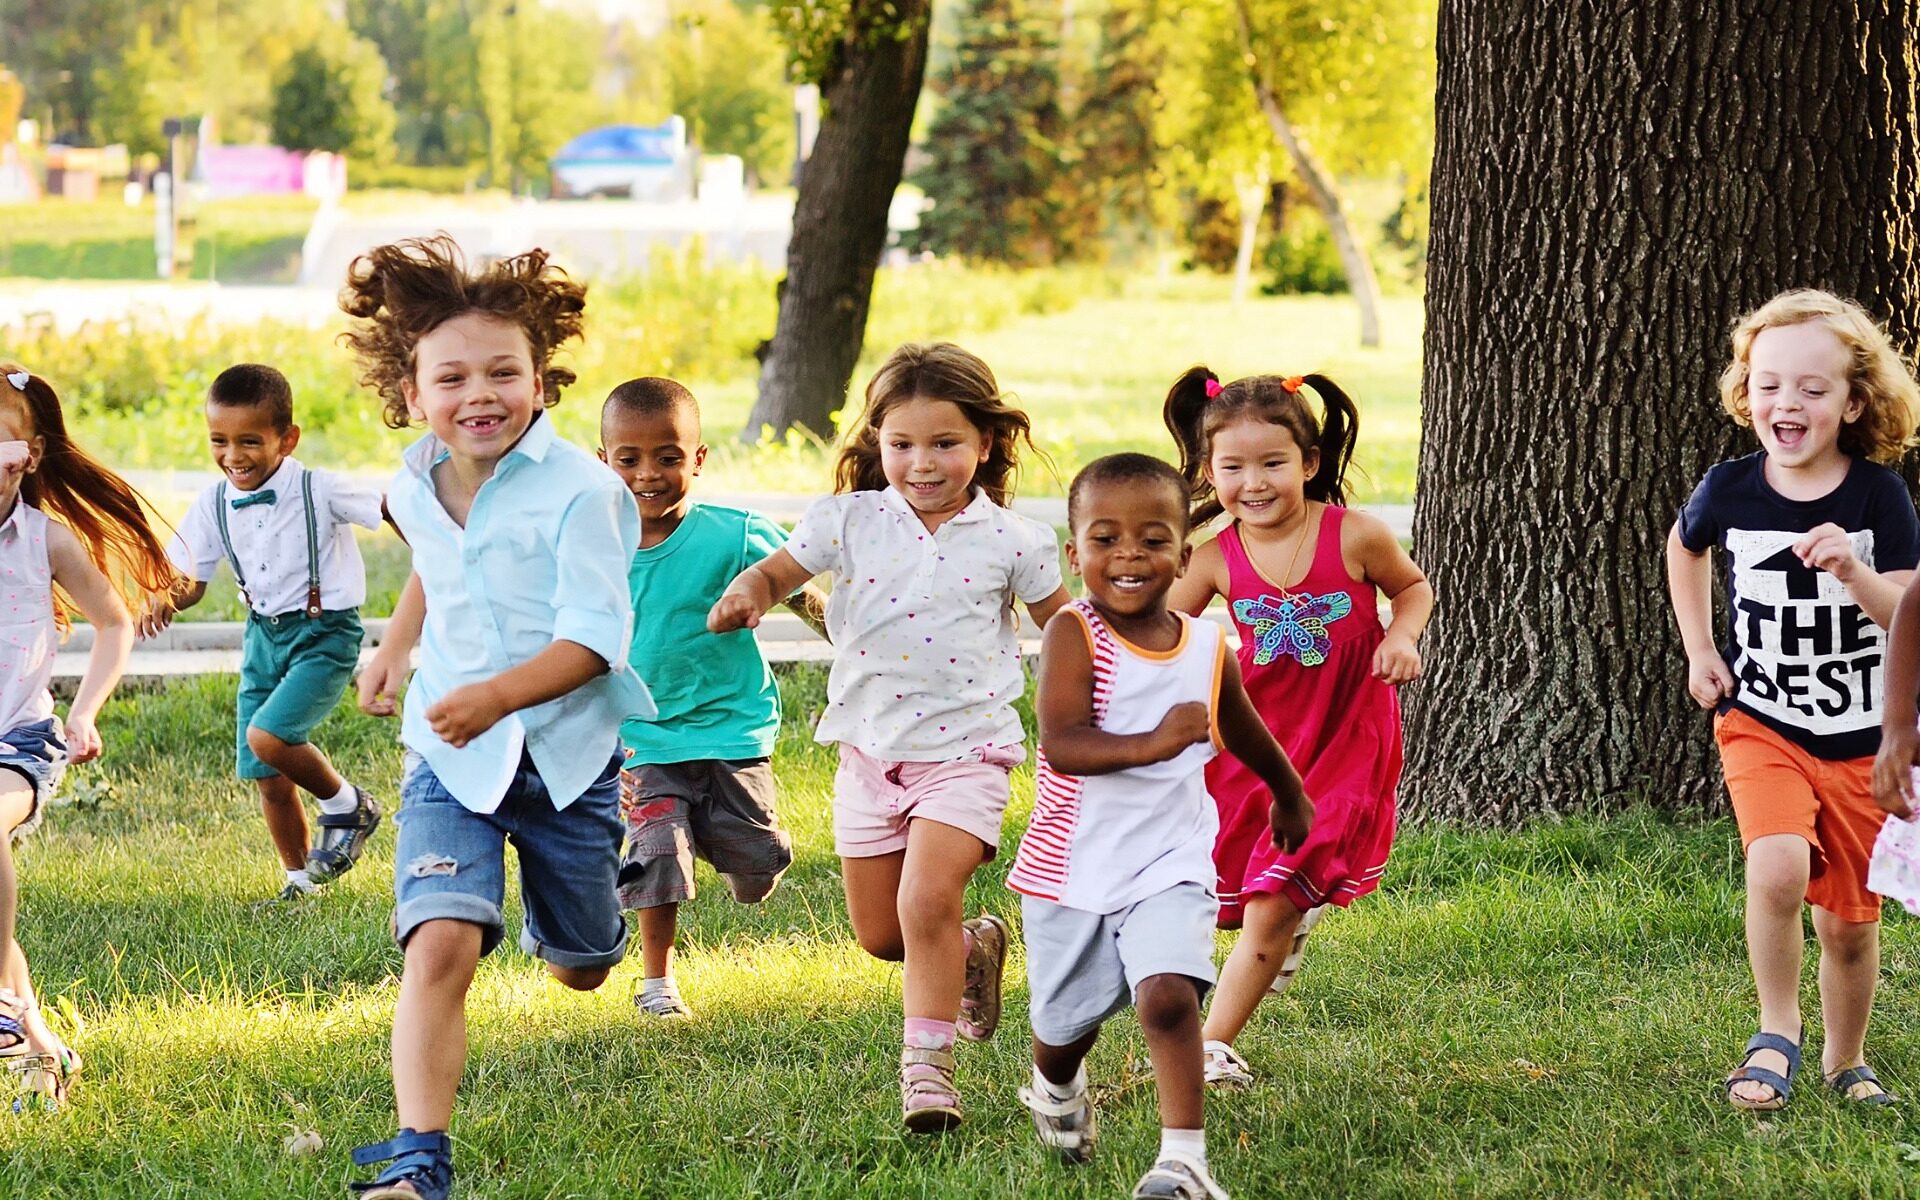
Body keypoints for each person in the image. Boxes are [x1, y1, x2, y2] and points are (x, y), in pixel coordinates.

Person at [343, 236, 653, 1198]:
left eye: (503, 371)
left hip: (563, 758)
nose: (480, 393)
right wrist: (397, 645)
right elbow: (443, 569)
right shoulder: (412, 482)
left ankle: (567, 928)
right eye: (453, 376)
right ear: (411, 390)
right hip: (449, 756)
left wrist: (498, 696)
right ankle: (417, 1162)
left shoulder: (587, 493)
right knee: (440, 944)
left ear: (542, 381)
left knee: (587, 965)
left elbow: (593, 643)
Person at [709, 342, 1070, 1132]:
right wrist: (748, 592)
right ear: (877, 442)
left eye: (945, 444)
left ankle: (928, 1075)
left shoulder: (1013, 540)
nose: (922, 462)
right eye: (901, 444)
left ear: (985, 442)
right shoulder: (849, 520)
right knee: (883, 936)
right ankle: (971, 950)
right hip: (870, 756)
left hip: (969, 754)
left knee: (924, 898)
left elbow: (1069, 630)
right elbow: (779, 573)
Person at [1010, 453, 1311, 1200]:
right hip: (1072, 870)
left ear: (1184, 553)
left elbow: (1240, 728)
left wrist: (1288, 792)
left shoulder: (1207, 646)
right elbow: (1065, 744)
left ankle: (1184, 1163)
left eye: (1152, 539)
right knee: (1063, 1027)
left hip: (1171, 859)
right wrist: (1158, 741)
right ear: (1074, 553)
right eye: (1105, 539)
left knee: (1169, 996)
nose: (1129, 556)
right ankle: (1054, 1084)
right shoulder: (1074, 635)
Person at [1669, 288, 1920, 1111]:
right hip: (1762, 722)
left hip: (1859, 738)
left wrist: (1854, 570)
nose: (1789, 402)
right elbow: (1684, 548)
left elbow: (1906, 614)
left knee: (1850, 925)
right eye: (1770, 383)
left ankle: (1846, 1061)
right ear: (1747, 391)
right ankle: (1775, 1030)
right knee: (1774, 866)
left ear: (1854, 402)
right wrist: (1702, 649)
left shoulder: (1879, 497)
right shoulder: (1731, 487)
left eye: (1814, 389)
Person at [1164, 369, 1430, 1087]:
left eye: (1273, 463)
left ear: (1308, 463)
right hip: (1257, 741)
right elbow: (1163, 630)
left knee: (1274, 897)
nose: (1254, 482)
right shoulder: (1215, 555)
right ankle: (1282, 923)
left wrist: (1401, 636)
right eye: (1233, 467)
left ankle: (1211, 1045)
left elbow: (1413, 588)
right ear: (1208, 470)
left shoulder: (1355, 536)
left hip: (1347, 737)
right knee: (1235, 884)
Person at [597, 376, 825, 1020]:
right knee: (655, 853)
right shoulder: (592, 548)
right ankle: (656, 984)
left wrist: (853, 641)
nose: (650, 473)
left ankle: (738, 851)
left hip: (731, 730)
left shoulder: (733, 534)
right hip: (645, 738)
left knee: (753, 877)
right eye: (629, 458)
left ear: (697, 459)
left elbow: (799, 590)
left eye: (669, 457)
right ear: (603, 461)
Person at [138, 364, 385, 901]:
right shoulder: (212, 503)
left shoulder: (319, 489)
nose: (233, 456)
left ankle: (348, 805)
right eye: (219, 441)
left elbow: (390, 508)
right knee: (268, 775)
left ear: (287, 439)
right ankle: (300, 881)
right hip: (262, 638)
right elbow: (190, 581)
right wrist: (164, 597)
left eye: (250, 441)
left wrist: (441, 553)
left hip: (324, 634)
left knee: (270, 737)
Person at [0, 363, 175, 1109]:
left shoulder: (45, 538)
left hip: (22, 738)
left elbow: (113, 620)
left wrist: (85, 711)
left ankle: (2, 1009)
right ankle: (41, 1042)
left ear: (29, 456)